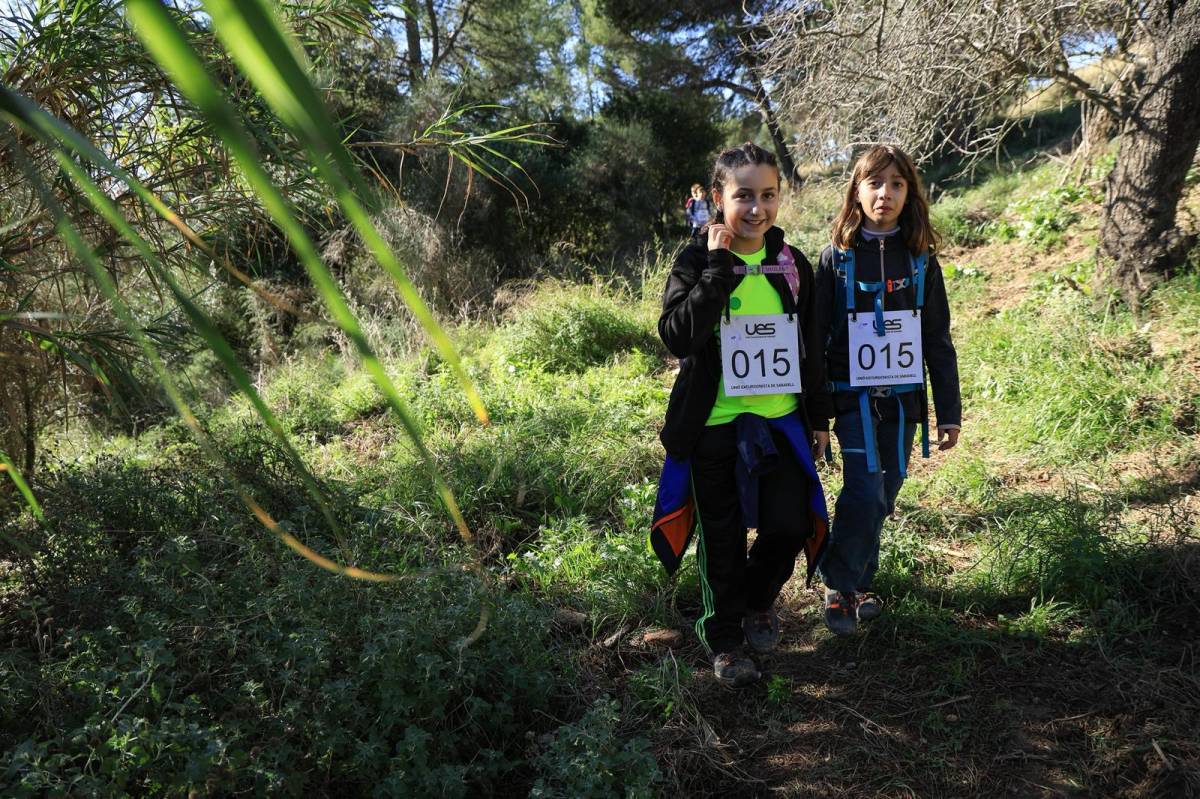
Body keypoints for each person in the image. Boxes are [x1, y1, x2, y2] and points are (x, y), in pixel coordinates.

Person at [650, 143, 830, 688]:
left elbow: (811, 345)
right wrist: (717, 269)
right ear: (716, 199)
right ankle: (725, 638)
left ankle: (757, 601)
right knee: (722, 539)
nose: (757, 209)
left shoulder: (792, 263)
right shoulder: (693, 260)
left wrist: (819, 419)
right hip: (714, 425)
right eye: (743, 196)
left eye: (768, 196)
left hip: (779, 421)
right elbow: (677, 334)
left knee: (788, 524)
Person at [810, 144, 961, 635]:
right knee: (863, 486)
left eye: (897, 184)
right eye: (875, 183)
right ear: (857, 190)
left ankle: (857, 581)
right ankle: (838, 584)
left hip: (905, 398)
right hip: (850, 396)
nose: (885, 194)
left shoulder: (920, 259)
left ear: (909, 193)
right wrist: (816, 413)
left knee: (887, 490)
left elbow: (936, 338)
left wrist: (949, 410)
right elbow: (813, 337)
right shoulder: (836, 259)